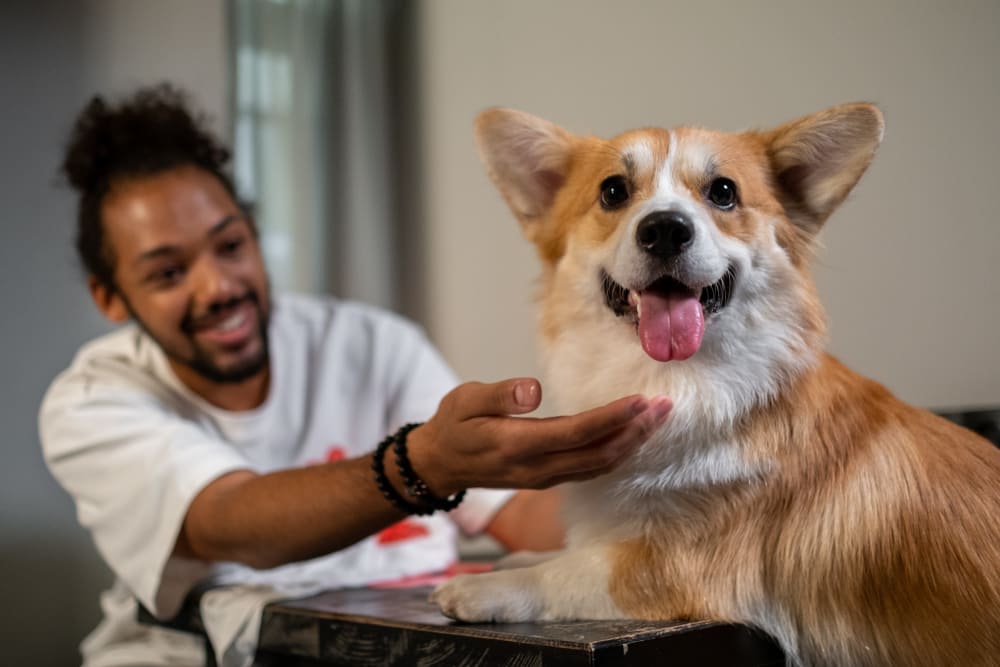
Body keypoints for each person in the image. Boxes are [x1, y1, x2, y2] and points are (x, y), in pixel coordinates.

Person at [39, 84, 672, 666]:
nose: (218, 287)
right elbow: (230, 523)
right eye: (168, 273)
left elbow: (515, 513)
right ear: (111, 297)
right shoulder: (93, 402)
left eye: (230, 246)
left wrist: (667, 482)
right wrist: (424, 466)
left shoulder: (371, 343)